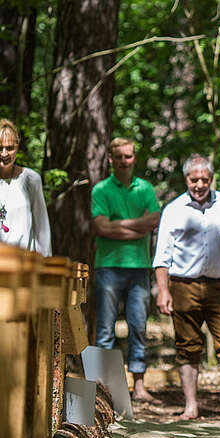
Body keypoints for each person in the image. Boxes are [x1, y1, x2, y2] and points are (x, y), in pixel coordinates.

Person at [153, 154, 220, 421]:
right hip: (183, 286)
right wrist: (164, 290)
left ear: (212, 178)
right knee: (187, 347)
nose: (200, 184)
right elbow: (162, 255)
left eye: (205, 179)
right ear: (186, 179)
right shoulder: (173, 209)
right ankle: (191, 406)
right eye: (194, 179)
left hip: (219, 287)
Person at [92, 138, 161, 403]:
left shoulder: (145, 188)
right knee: (106, 328)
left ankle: (139, 387)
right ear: (110, 159)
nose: (124, 161)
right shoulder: (101, 189)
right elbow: (101, 227)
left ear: (134, 158)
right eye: (119, 157)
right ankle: (103, 389)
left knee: (138, 326)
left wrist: (119, 225)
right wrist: (138, 226)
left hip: (139, 267)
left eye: (128, 156)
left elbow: (154, 221)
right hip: (108, 266)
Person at [0, 118, 51, 256]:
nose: (4, 154)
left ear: (17, 148)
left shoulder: (31, 179)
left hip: (24, 265)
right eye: (0, 148)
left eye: (9, 148)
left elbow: (42, 228)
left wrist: (45, 264)